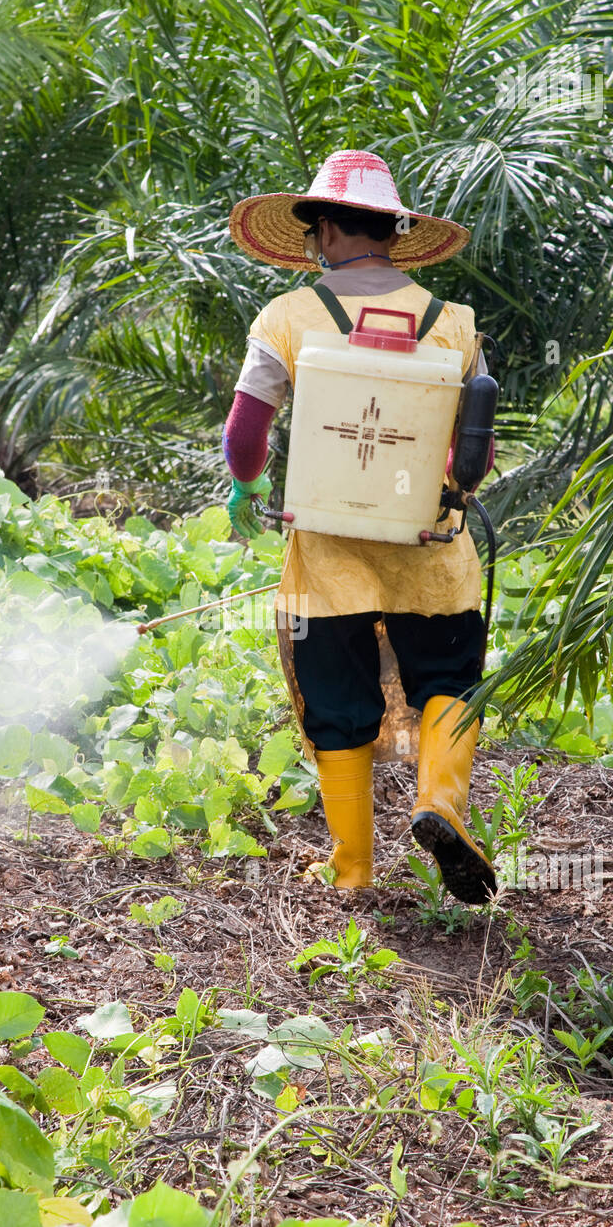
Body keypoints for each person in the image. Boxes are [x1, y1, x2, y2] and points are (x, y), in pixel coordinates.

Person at [224, 150, 496, 904]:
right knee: (447, 679)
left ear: (326, 231)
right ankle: (439, 803)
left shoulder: (288, 318)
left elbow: (246, 434)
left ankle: (352, 875)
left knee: (339, 702)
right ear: (392, 232)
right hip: (429, 550)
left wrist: (247, 487)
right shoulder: (455, 325)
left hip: (329, 555)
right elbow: (474, 452)